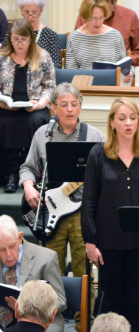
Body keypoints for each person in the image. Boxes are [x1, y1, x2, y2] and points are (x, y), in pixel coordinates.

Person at [19, 83, 104, 332]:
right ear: (53, 108)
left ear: (80, 106)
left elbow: (104, 173)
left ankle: (83, 325)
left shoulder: (94, 136)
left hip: (82, 214)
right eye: (64, 105)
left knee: (83, 273)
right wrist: (28, 186)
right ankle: (45, 324)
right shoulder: (42, 134)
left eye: (74, 104)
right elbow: (28, 168)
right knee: (46, 272)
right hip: (50, 213)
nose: (70, 110)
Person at [82, 97, 139, 332]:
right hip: (108, 243)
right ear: (112, 122)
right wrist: (90, 242)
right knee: (113, 306)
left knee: (138, 306)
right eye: (122, 118)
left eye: (133, 117)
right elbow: (89, 200)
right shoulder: (98, 154)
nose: (128, 123)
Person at [0, 18, 55, 194]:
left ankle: (30, 172)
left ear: (30, 39)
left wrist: (40, 104)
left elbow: (50, 86)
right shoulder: (2, 56)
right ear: (10, 39)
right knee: (5, 122)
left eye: (23, 39)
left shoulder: (42, 55)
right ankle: (11, 173)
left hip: (35, 105)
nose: (20, 43)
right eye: (16, 39)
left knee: (35, 121)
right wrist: (3, 103)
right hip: (7, 105)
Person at [0, 215, 66, 332]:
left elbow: (60, 300)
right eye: (1, 249)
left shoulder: (46, 257)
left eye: (12, 246)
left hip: (38, 321)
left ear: (20, 237)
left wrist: (28, 310)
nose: (8, 254)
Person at [67, 0, 133, 83]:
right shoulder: (74, 38)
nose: (98, 23)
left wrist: (130, 73)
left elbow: (124, 66)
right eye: (94, 18)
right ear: (85, 17)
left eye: (101, 17)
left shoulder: (115, 35)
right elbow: (70, 72)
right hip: (84, 88)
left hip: (111, 87)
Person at [75, 0, 139, 67]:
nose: (103, 12)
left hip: (119, 69)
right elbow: (75, 49)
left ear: (115, 2)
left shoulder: (130, 16)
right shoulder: (85, 17)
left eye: (107, 7)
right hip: (88, 67)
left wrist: (123, 61)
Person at [1, 0, 61, 68]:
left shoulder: (51, 35)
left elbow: (55, 66)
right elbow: (3, 56)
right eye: (26, 12)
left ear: (41, 11)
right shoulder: (13, 33)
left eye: (34, 12)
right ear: (21, 10)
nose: (30, 16)